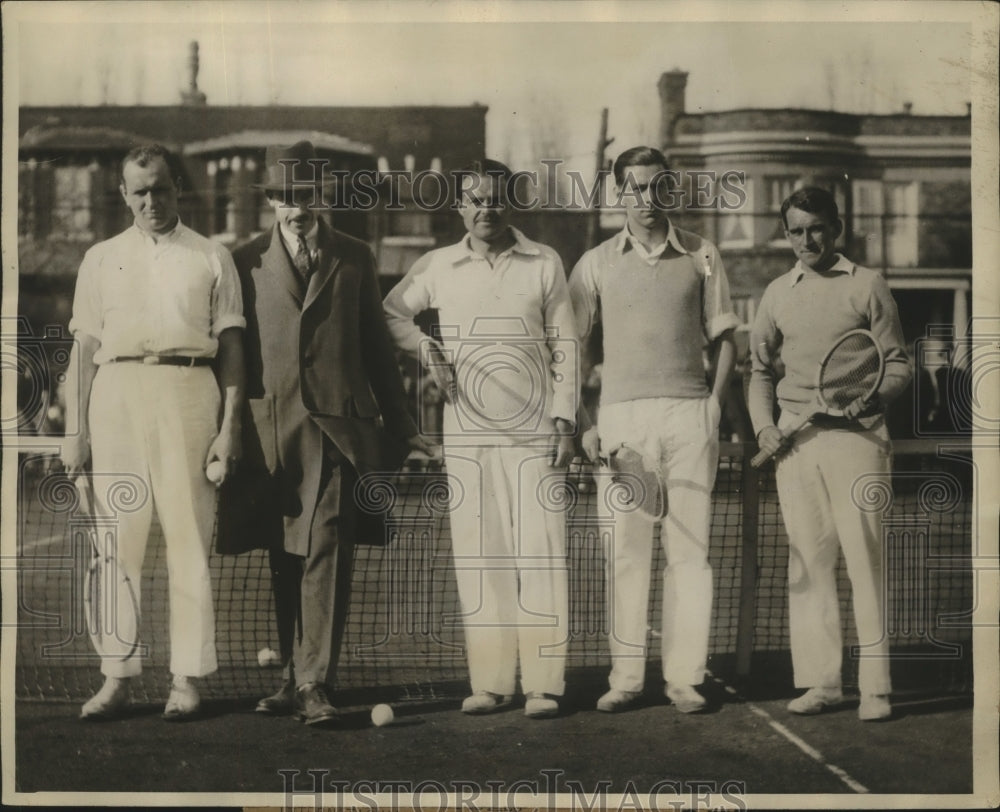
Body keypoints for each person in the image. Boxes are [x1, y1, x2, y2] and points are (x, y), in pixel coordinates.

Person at [223, 141, 433, 727]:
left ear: (323, 198)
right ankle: (294, 676)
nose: (297, 209)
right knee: (284, 557)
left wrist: (405, 425)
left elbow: (376, 348)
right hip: (273, 434)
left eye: (307, 196)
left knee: (327, 550)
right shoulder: (242, 262)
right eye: (286, 198)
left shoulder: (356, 256)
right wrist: (229, 428)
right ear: (271, 202)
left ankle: (316, 682)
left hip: (341, 431)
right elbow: (234, 354)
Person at [383, 160, 578, 719]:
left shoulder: (544, 261)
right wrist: (428, 349)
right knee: (479, 557)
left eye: (495, 198)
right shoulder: (438, 264)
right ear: (459, 207)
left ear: (508, 203)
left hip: (535, 433)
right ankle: (491, 683)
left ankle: (544, 685)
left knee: (540, 556)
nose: (485, 208)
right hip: (466, 435)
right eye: (474, 199)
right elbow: (392, 312)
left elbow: (565, 343)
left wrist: (563, 420)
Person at [61, 143, 246, 721]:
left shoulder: (212, 256)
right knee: (117, 545)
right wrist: (75, 431)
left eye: (160, 189)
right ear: (123, 194)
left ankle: (186, 678)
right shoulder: (99, 258)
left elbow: (234, 347)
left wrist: (228, 429)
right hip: (115, 399)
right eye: (139, 191)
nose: (151, 201)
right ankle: (116, 676)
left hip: (189, 394)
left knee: (188, 540)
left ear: (177, 189)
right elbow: (84, 351)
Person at [568, 146, 739, 714]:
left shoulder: (703, 254)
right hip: (623, 421)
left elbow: (725, 339)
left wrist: (712, 407)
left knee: (689, 552)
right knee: (626, 553)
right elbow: (570, 347)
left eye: (658, 187)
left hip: (688, 417)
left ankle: (685, 679)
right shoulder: (593, 262)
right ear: (619, 193)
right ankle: (626, 679)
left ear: (671, 190)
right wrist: (587, 421)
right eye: (635, 188)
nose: (647, 199)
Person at [747, 186, 912, 722]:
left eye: (815, 228)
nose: (806, 240)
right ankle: (822, 684)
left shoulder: (868, 285)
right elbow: (761, 374)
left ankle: (876, 690)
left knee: (865, 562)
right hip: (796, 447)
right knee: (809, 563)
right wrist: (764, 427)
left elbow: (898, 363)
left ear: (835, 229)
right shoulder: (775, 293)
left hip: (858, 440)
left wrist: (872, 395)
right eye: (795, 230)